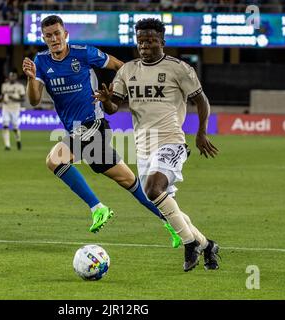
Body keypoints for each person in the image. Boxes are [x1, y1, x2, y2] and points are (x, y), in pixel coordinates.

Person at [22, 14, 181, 246]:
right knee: (130, 181)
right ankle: (175, 224)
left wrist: (123, 93)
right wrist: (30, 78)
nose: (54, 39)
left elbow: (120, 67)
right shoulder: (41, 62)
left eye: (57, 34)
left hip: (93, 124)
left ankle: (98, 208)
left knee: (54, 159)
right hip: (78, 132)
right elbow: (34, 100)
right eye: (49, 36)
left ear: (65, 34)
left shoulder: (83, 52)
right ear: (44, 38)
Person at [93, 18, 220, 272]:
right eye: (141, 41)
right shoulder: (127, 71)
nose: (145, 45)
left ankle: (189, 244)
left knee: (153, 188)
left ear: (162, 41)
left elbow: (201, 100)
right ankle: (207, 245)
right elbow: (113, 106)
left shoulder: (179, 68)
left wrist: (201, 132)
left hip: (171, 141)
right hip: (143, 146)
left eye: (150, 40)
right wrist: (106, 101)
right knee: (167, 209)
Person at [0, 72, 25, 150]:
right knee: (5, 126)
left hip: (15, 108)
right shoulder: (4, 85)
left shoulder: (20, 86)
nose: (12, 78)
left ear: (16, 77)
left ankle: (18, 140)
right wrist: (1, 99)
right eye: (11, 76)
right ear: (9, 77)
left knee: (15, 127)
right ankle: (7, 145)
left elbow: (23, 99)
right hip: (6, 107)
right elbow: (3, 96)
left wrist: (14, 98)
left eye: (13, 76)